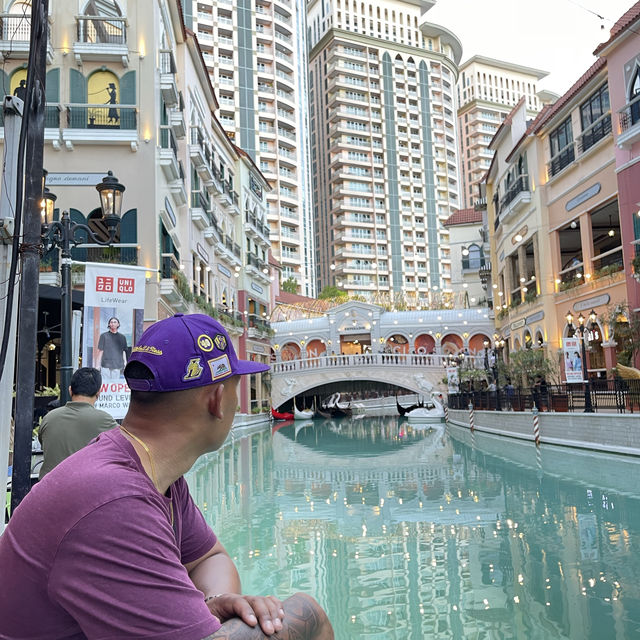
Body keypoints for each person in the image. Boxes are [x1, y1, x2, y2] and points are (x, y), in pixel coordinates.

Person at [0, 313, 334, 639]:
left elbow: (211, 557)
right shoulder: (116, 500)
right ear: (218, 400)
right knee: (309, 613)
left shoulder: (156, 476)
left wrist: (213, 603)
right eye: (235, 388)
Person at [38, 367, 116, 479]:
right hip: (84, 489)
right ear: (99, 392)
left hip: (46, 489)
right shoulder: (105, 420)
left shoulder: (49, 418)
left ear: (70, 390)